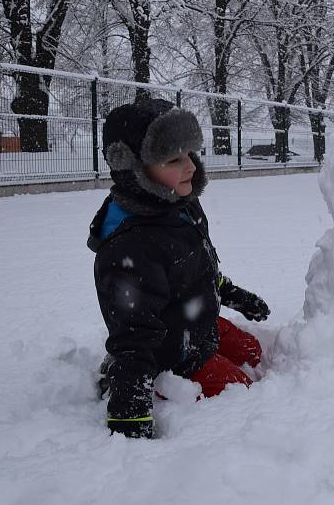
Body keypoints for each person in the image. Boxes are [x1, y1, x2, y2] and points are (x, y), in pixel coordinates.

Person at [88, 98, 270, 438]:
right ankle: (145, 382)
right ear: (134, 168)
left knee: (254, 352)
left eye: (189, 153)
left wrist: (232, 294)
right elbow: (133, 335)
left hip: (196, 320)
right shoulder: (130, 247)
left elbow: (197, 268)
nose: (190, 166)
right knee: (243, 392)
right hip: (170, 351)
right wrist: (129, 417)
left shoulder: (180, 203)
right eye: (173, 158)